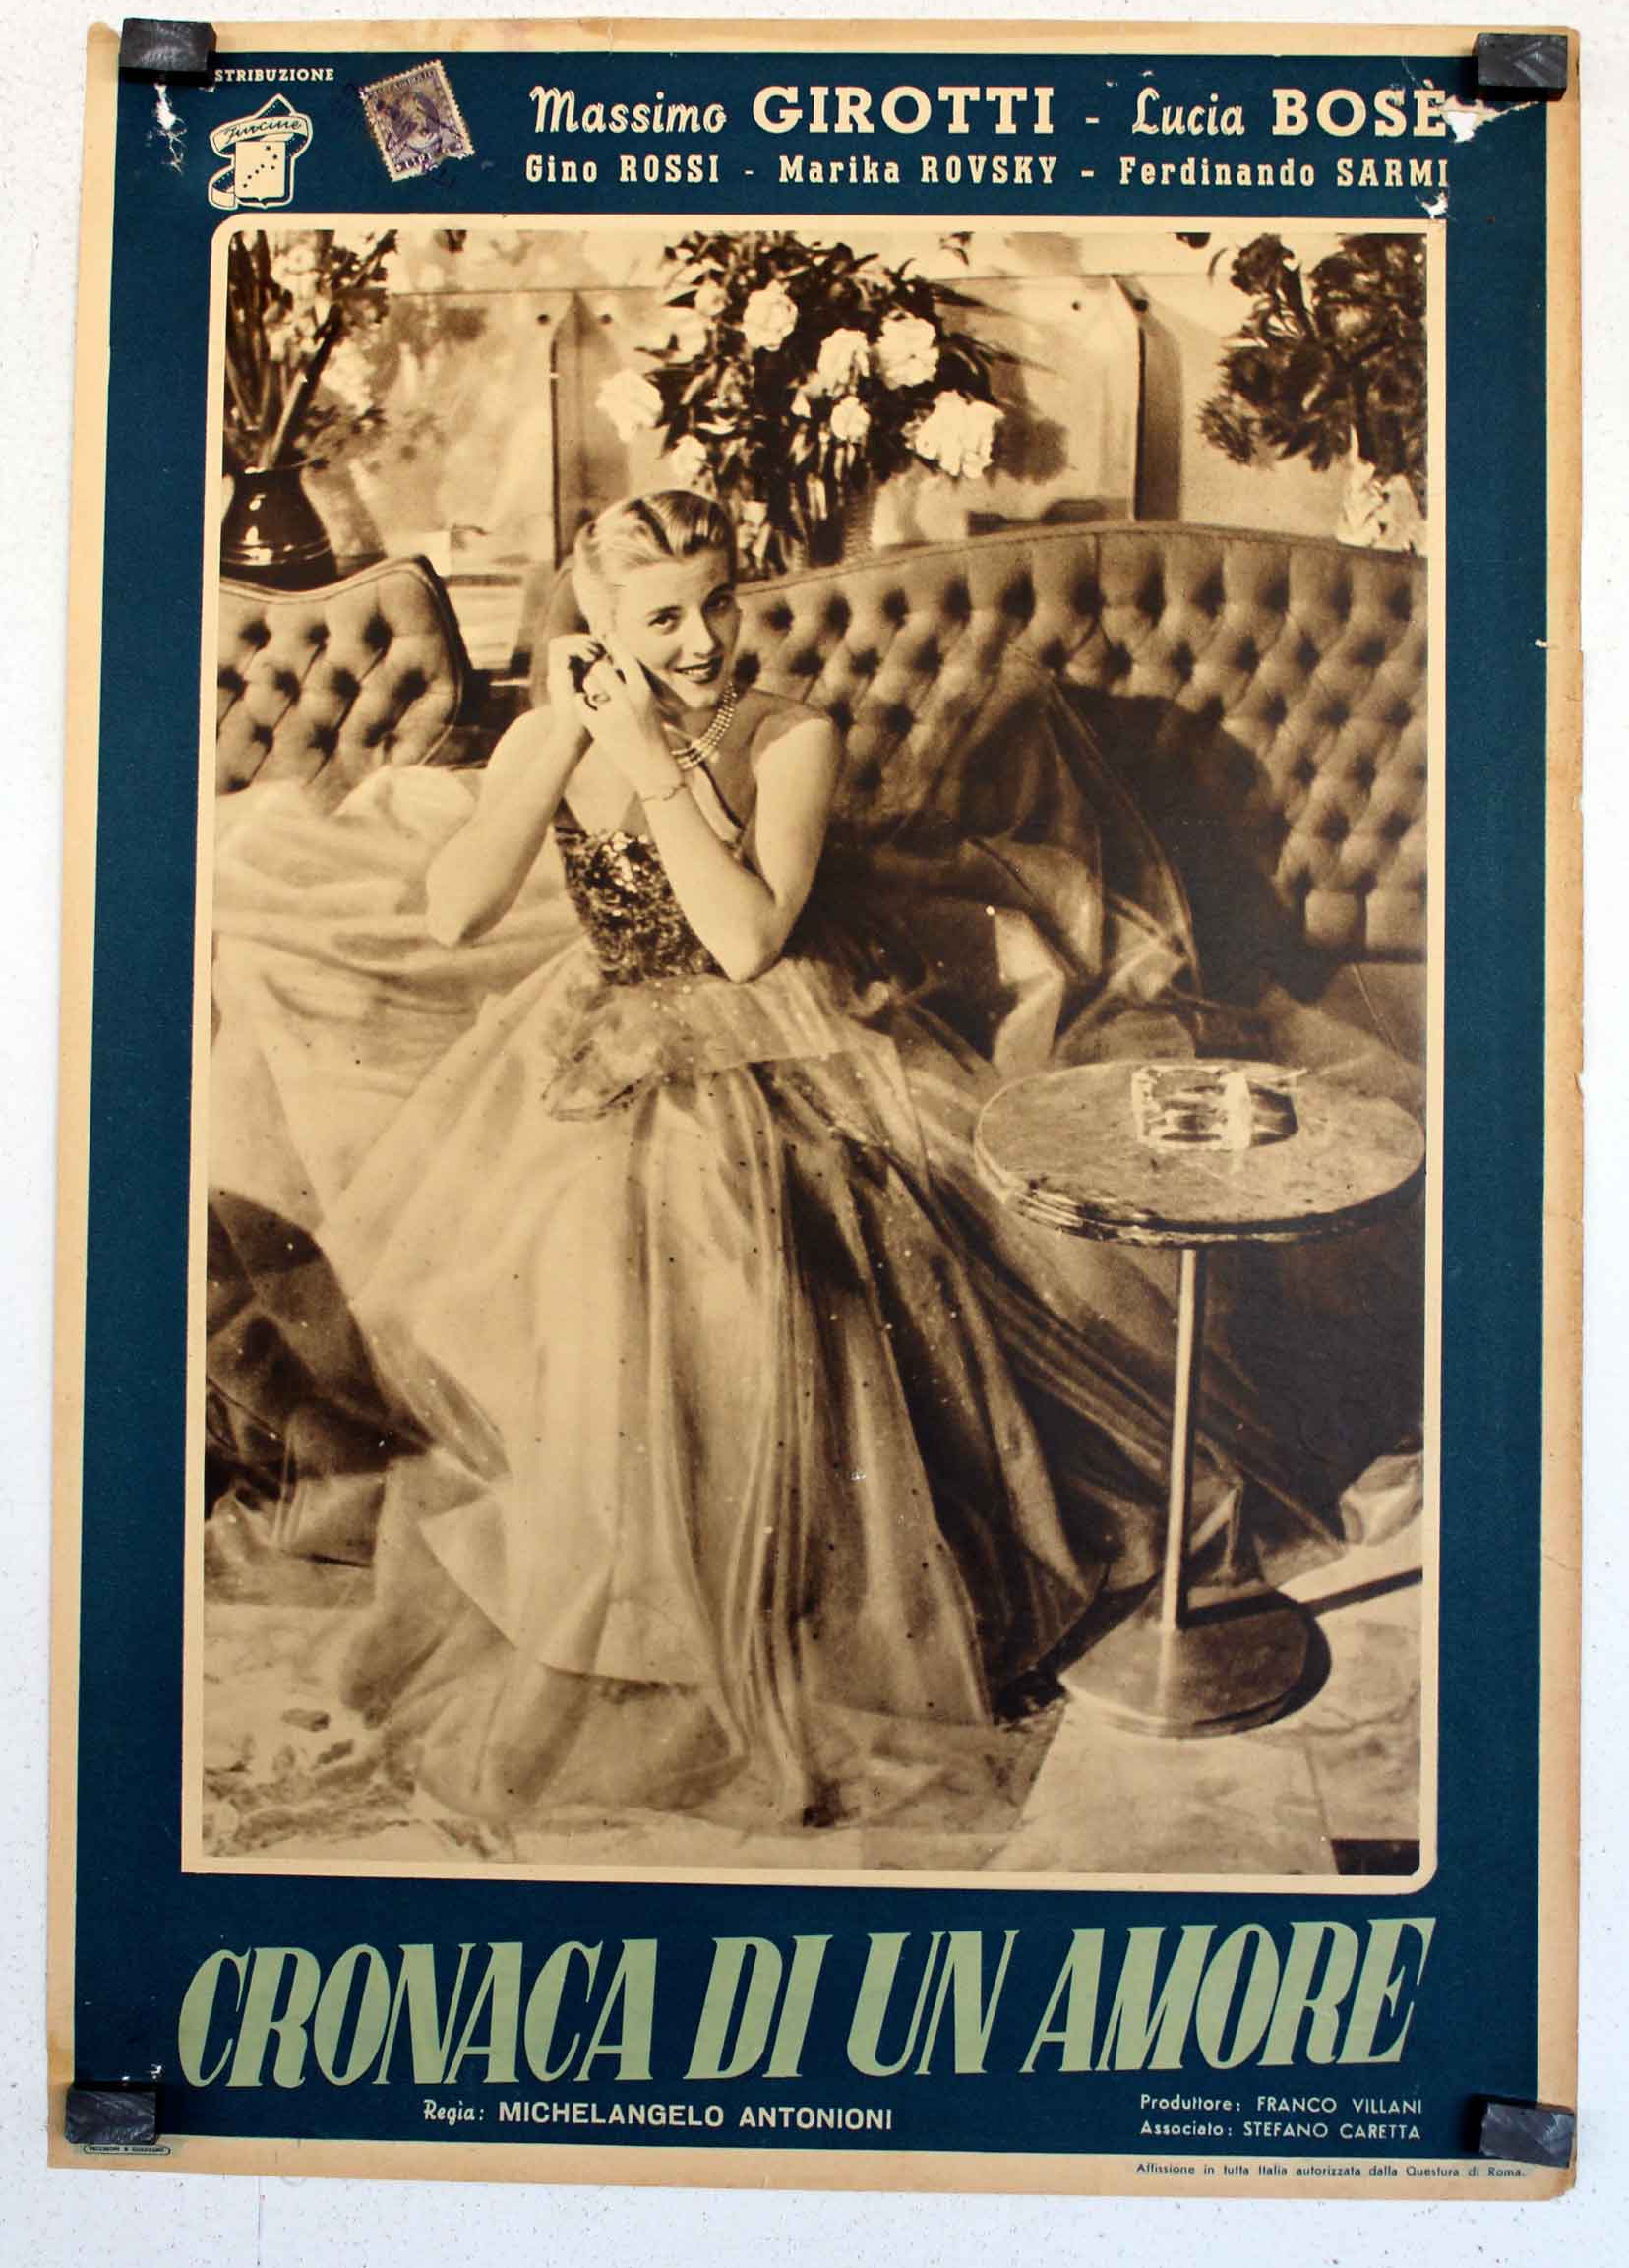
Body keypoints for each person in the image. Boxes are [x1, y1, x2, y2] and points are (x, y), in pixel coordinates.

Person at [206, 490, 1337, 1845]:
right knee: (588, 1271)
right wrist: (561, 736)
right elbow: (455, 912)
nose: (703, 641)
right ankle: (649, 1598)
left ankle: (795, 1598)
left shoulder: (791, 733)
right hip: (604, 1040)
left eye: (718, 603)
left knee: (741, 1259)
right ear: (598, 619)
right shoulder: (558, 723)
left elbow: (745, 940)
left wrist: (652, 757)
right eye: (662, 617)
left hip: (785, 1043)